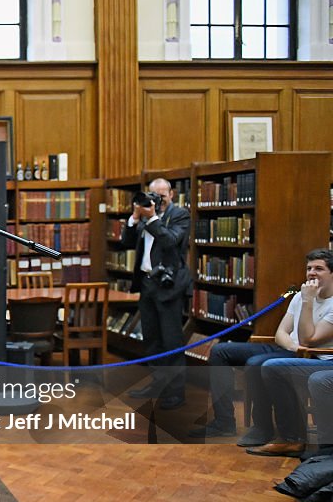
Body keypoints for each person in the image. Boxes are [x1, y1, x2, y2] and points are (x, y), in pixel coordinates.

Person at [189, 249, 333, 444]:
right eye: (309, 268)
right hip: (288, 347)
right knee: (219, 351)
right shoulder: (299, 296)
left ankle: (262, 428)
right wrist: (291, 345)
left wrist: (308, 301)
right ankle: (223, 422)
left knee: (256, 363)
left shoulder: (319, 301)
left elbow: (308, 340)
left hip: (312, 355)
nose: (311, 273)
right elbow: (281, 332)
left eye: (319, 269)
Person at [121, 178, 192, 410]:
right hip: (147, 284)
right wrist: (134, 217)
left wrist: (151, 217)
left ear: (171, 194)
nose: (157, 200)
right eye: (153, 195)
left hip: (169, 286)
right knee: (151, 340)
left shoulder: (179, 215)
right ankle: (157, 383)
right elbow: (127, 242)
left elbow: (170, 241)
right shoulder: (144, 216)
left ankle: (175, 392)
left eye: (162, 196)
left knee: (171, 340)